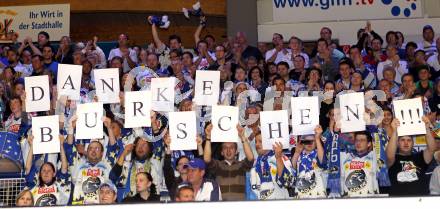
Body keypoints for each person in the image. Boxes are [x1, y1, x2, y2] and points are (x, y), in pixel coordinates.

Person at [386, 116, 437, 196]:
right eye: (402, 140)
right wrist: (395, 131)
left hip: (419, 201)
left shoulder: (420, 157)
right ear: (397, 143)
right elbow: (389, 155)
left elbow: (432, 149)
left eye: (409, 140)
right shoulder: (393, 159)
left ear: (413, 143)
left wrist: (426, 129)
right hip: (397, 201)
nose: (406, 143)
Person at [203, 124, 254, 200]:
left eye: (232, 147)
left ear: (236, 151)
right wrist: (208, 137)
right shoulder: (218, 165)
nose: (228, 150)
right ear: (222, 152)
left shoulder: (241, 165)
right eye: (225, 148)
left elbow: (251, 158)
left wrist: (242, 137)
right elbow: (207, 159)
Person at [340, 131, 379, 197]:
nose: (358, 143)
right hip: (347, 201)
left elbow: (379, 143)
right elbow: (331, 145)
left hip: (370, 201)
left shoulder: (374, 156)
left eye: (362, 140)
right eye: (357, 140)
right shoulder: (345, 156)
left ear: (369, 144)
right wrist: (335, 130)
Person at [291, 126, 326, 198]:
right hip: (301, 194)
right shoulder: (298, 154)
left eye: (312, 141)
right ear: (302, 142)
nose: (310, 143)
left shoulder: (319, 153)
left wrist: (317, 138)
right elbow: (292, 171)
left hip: (317, 194)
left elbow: (322, 162)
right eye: (307, 141)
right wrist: (296, 153)